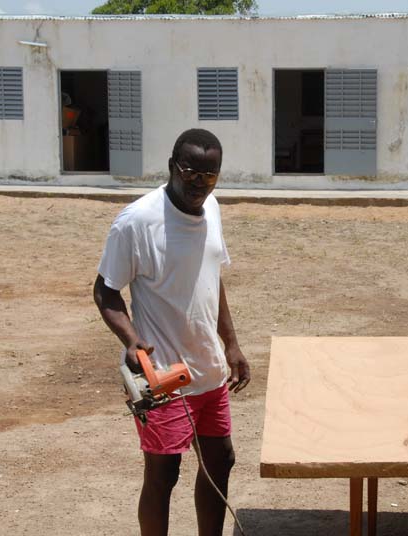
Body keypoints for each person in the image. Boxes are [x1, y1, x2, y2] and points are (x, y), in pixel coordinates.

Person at [93, 128, 250, 536]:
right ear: (171, 167)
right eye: (190, 172)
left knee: (221, 462)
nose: (199, 183)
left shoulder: (212, 209)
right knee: (163, 476)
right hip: (162, 375)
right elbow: (105, 290)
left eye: (209, 175)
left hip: (208, 369)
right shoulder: (137, 222)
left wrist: (230, 344)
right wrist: (131, 339)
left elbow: (212, 278)